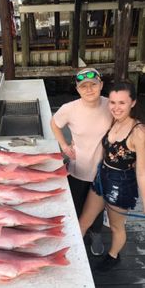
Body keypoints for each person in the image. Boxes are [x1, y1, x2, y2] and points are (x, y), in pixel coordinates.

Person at [79, 80, 145, 271]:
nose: (116, 108)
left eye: (122, 103)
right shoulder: (114, 120)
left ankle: (113, 255)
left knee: (116, 227)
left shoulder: (138, 132)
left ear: (132, 103)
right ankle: (67, 255)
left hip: (121, 184)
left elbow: (141, 172)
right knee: (84, 221)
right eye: (113, 102)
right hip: (102, 177)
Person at [50, 68, 113, 256]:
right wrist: (63, 144)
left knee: (98, 208)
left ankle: (96, 233)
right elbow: (54, 123)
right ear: (77, 89)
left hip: (104, 170)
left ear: (101, 85)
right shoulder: (69, 109)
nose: (89, 89)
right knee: (77, 204)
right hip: (78, 168)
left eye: (93, 85)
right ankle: (76, 236)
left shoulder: (111, 105)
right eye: (83, 86)